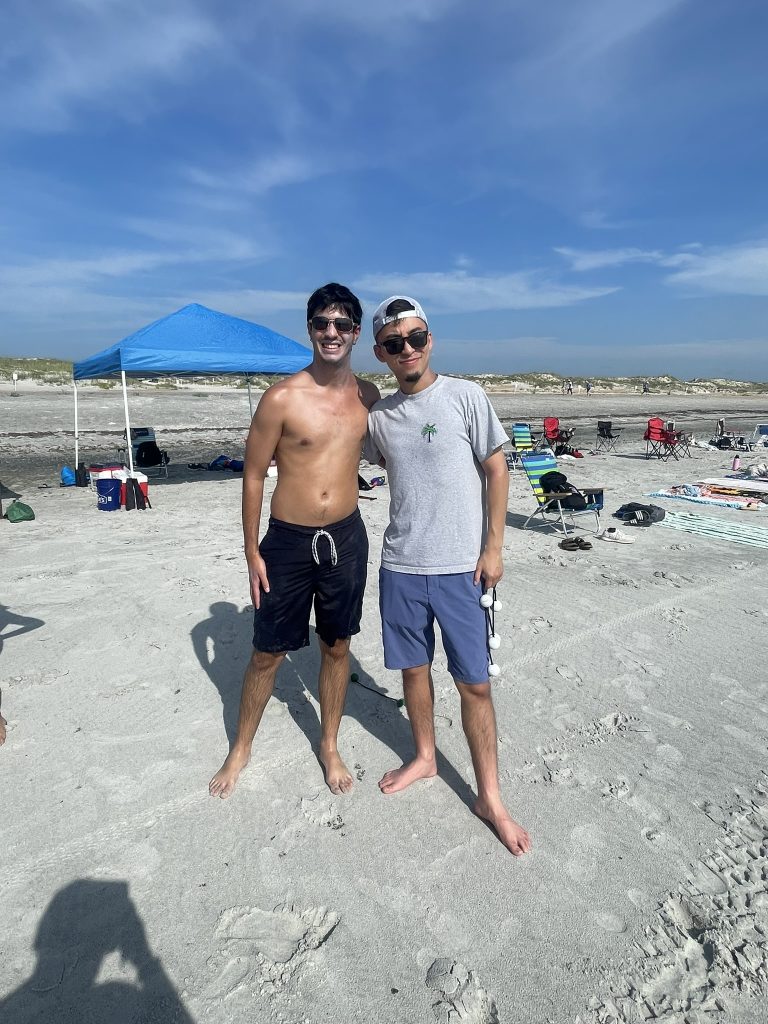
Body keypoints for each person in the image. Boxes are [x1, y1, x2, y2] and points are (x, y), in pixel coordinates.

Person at [365, 296, 531, 857]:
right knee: (414, 672)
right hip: (401, 567)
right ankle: (426, 756)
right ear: (381, 353)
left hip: (463, 567)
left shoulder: (465, 396)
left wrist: (494, 546)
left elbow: (496, 466)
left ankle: (490, 797)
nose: (406, 349)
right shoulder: (380, 418)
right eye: (394, 343)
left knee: (475, 684)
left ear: (430, 340)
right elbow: (365, 459)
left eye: (415, 338)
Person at [209, 284, 380, 799]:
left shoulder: (367, 396)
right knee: (267, 652)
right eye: (322, 323)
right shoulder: (281, 398)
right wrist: (251, 551)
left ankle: (329, 744)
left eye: (343, 324)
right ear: (310, 328)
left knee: (337, 646)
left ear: (355, 333)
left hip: (347, 537)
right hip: (287, 542)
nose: (332, 333)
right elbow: (255, 475)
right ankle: (241, 747)